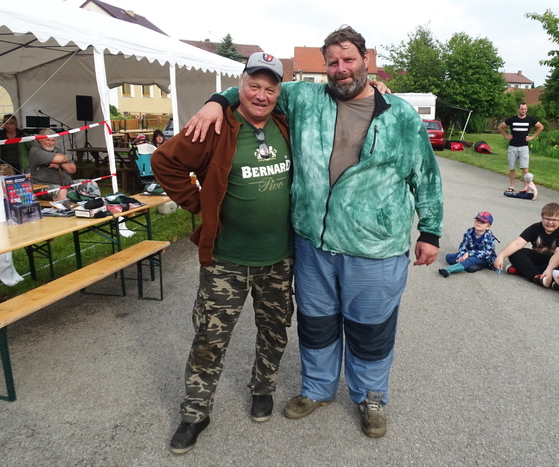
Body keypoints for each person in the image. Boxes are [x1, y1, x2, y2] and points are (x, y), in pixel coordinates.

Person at [186, 26, 443, 438]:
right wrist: (217, 102)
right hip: (314, 245)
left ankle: (370, 396)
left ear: (366, 60)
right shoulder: (305, 99)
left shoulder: (400, 115)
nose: (341, 69)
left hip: (375, 248)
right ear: (325, 67)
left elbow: (425, 175)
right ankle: (318, 389)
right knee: (317, 325)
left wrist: (430, 231)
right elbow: (255, 91)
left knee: (371, 329)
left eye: (349, 59)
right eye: (333, 62)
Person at [151, 53, 293, 455]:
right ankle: (195, 412)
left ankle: (262, 389)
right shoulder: (217, 125)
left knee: (275, 331)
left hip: (279, 258)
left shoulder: (286, 123)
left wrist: (374, 88)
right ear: (240, 86)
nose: (261, 95)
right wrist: (200, 204)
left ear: (278, 93)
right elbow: (164, 162)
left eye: (270, 88)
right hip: (227, 260)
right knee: (209, 338)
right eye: (253, 86)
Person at [493, 202, 559, 287]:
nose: (550, 222)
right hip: (540, 258)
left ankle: (522, 270)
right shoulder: (536, 227)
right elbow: (517, 243)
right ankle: (537, 277)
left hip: (557, 262)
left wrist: (549, 269)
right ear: (541, 216)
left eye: (554, 220)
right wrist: (501, 256)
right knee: (515, 253)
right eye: (547, 219)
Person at [29, 129, 97, 201]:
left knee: (91, 184)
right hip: (44, 186)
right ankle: (64, 208)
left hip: (67, 184)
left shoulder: (57, 150)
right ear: (40, 139)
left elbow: (72, 169)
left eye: (53, 140)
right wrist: (61, 160)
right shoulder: (35, 151)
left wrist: (59, 164)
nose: (50, 143)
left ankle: (95, 205)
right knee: (62, 191)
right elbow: (61, 158)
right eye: (48, 140)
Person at [498, 102, 544, 192]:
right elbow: (500, 127)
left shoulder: (530, 119)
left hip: (524, 147)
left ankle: (526, 187)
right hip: (513, 146)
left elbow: (541, 127)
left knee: (524, 168)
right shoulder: (512, 119)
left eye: (525, 109)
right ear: (518, 109)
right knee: (512, 167)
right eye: (522, 109)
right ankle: (512, 186)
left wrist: (532, 137)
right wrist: (506, 136)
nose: (523, 111)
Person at [439, 211, 497, 277]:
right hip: (468, 255)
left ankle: (448, 270)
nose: (479, 223)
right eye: (477, 220)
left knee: (471, 260)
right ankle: (468, 266)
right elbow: (463, 246)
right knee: (449, 257)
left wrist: (469, 254)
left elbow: (487, 252)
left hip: (484, 258)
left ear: (488, 226)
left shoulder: (489, 237)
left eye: (483, 222)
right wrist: (461, 256)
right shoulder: (469, 232)